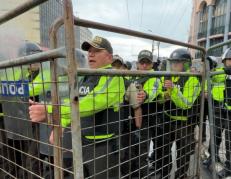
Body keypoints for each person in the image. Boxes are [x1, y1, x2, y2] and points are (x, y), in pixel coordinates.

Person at [29, 36, 125, 179]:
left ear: (109, 57)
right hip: (78, 139)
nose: (91, 54)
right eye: (89, 51)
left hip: (102, 145)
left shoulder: (113, 76)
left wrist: (52, 110)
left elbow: (92, 103)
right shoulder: (85, 76)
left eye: (97, 51)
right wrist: (60, 124)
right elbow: (73, 100)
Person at [0, 41, 50, 178]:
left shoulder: (46, 73)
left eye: (33, 57)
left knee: (33, 160)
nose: (30, 61)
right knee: (15, 158)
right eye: (25, 57)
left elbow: (31, 89)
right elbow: (6, 88)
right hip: (21, 123)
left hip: (40, 125)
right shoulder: (20, 73)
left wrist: (9, 92)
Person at [160, 48, 201, 178]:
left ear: (186, 63)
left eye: (177, 62)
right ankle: (164, 174)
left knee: (183, 154)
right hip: (167, 120)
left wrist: (173, 90)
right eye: (172, 62)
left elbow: (186, 104)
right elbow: (160, 98)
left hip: (184, 123)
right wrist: (163, 96)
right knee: (164, 152)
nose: (173, 65)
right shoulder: (168, 76)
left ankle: (181, 176)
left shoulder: (193, 79)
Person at [123, 50, 162, 178]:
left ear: (152, 64)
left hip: (145, 121)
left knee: (141, 153)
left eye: (147, 62)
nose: (144, 65)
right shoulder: (133, 76)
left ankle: (142, 175)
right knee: (130, 152)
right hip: (130, 120)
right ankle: (133, 175)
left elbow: (153, 91)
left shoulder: (155, 77)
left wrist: (144, 95)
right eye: (142, 62)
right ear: (138, 63)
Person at [215, 48, 231, 178]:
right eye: (228, 61)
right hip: (225, 111)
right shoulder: (224, 74)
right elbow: (214, 77)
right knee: (223, 138)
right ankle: (227, 166)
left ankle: (229, 167)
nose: (229, 63)